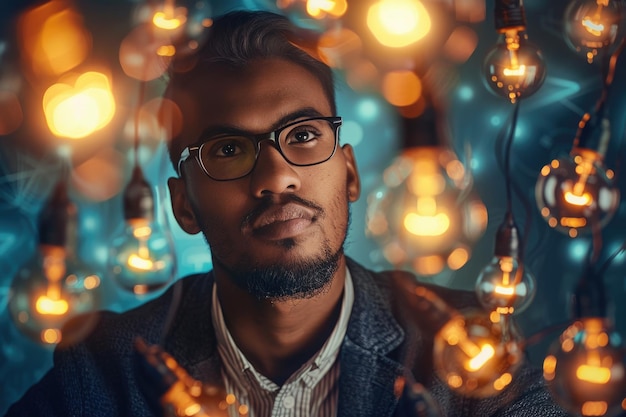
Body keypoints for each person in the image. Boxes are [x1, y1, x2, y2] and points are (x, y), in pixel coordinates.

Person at [5, 9, 568, 417]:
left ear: (349, 173)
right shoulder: (105, 369)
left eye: (302, 135)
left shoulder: (474, 352)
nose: (276, 177)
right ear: (184, 206)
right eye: (228, 150)